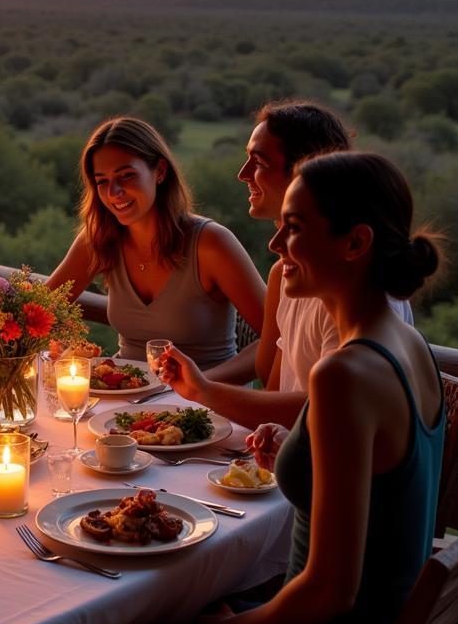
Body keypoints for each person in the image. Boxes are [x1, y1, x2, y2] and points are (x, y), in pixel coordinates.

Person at [40, 151, 444, 624]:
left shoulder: (345, 373)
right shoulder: (405, 348)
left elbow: (327, 591)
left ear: (356, 242)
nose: (276, 243)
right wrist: (291, 448)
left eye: (295, 227)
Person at [161, 100, 414, 429]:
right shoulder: (286, 274)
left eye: (259, 161)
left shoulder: (358, 293)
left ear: (304, 172)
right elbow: (275, 385)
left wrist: (204, 390)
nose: (242, 174)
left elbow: (327, 409)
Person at [47, 116, 264, 370]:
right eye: (102, 181)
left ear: (160, 171)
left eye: (126, 176)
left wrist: (205, 386)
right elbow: (39, 311)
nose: (113, 192)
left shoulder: (210, 243)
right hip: (129, 398)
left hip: (207, 402)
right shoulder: (99, 238)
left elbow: (279, 339)